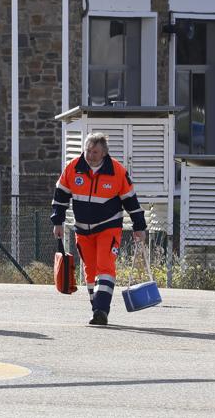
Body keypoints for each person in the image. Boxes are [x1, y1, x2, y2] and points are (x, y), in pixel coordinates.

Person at [52, 132, 146, 326]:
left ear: (104, 153)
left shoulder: (117, 171)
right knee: (90, 270)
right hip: (82, 229)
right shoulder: (73, 168)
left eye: (95, 152)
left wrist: (139, 227)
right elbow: (60, 197)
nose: (90, 155)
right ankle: (96, 308)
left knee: (105, 267)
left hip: (108, 227)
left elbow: (131, 201)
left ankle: (102, 310)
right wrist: (58, 222)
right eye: (87, 151)